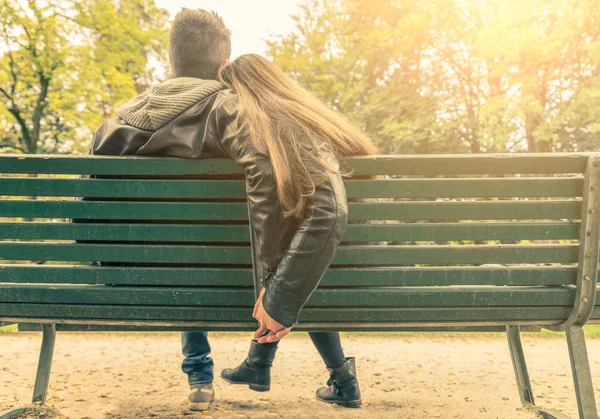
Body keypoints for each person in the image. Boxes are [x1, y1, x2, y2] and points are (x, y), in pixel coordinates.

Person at [89, 8, 376, 411]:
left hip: (141, 281)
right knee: (283, 229)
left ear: (174, 61)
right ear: (224, 66)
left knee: (183, 258)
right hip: (243, 284)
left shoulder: (112, 127)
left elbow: (89, 220)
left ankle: (199, 373)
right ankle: (327, 372)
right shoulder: (236, 112)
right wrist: (273, 281)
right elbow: (270, 176)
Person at [217, 54, 377, 409]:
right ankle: (330, 377)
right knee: (298, 259)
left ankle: (265, 364)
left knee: (294, 266)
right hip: (349, 263)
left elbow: (328, 213)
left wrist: (275, 291)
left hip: (330, 259)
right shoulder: (311, 122)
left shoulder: (287, 131)